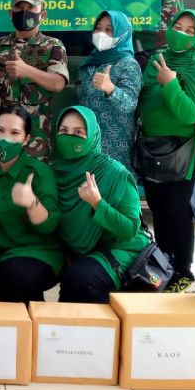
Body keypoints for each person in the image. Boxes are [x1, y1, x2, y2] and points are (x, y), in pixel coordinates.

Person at [136, 9, 195, 293]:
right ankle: (163, 266)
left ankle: (183, 271)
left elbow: (192, 115)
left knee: (176, 211)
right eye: (177, 26)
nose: (181, 33)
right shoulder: (159, 58)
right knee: (158, 210)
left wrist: (170, 84)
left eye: (189, 30)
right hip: (152, 147)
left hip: (181, 151)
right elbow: (144, 96)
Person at [51, 106, 148, 303]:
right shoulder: (56, 171)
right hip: (80, 250)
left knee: (80, 279)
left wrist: (97, 203)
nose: (70, 137)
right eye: (64, 131)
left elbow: (129, 230)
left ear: (92, 136)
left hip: (120, 249)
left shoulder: (115, 174)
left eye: (78, 132)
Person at [0, 107, 60, 303]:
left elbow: (48, 226)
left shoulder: (39, 172)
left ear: (26, 139)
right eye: (0, 130)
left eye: (15, 133)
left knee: (16, 276)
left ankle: (32, 322)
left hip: (37, 253)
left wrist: (32, 203)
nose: (5, 139)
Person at [0, 0, 69, 161]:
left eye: (31, 8)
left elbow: (58, 83)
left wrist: (27, 71)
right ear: (11, 13)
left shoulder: (53, 45)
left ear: (43, 14)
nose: (24, 12)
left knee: (33, 178)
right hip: (2, 134)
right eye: (19, 7)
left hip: (35, 138)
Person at [75, 10, 142, 175]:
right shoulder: (88, 64)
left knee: (112, 188)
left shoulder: (128, 64)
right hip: (86, 143)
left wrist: (110, 89)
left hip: (114, 146)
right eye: (98, 28)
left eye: (109, 30)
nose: (101, 33)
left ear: (122, 34)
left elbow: (130, 104)